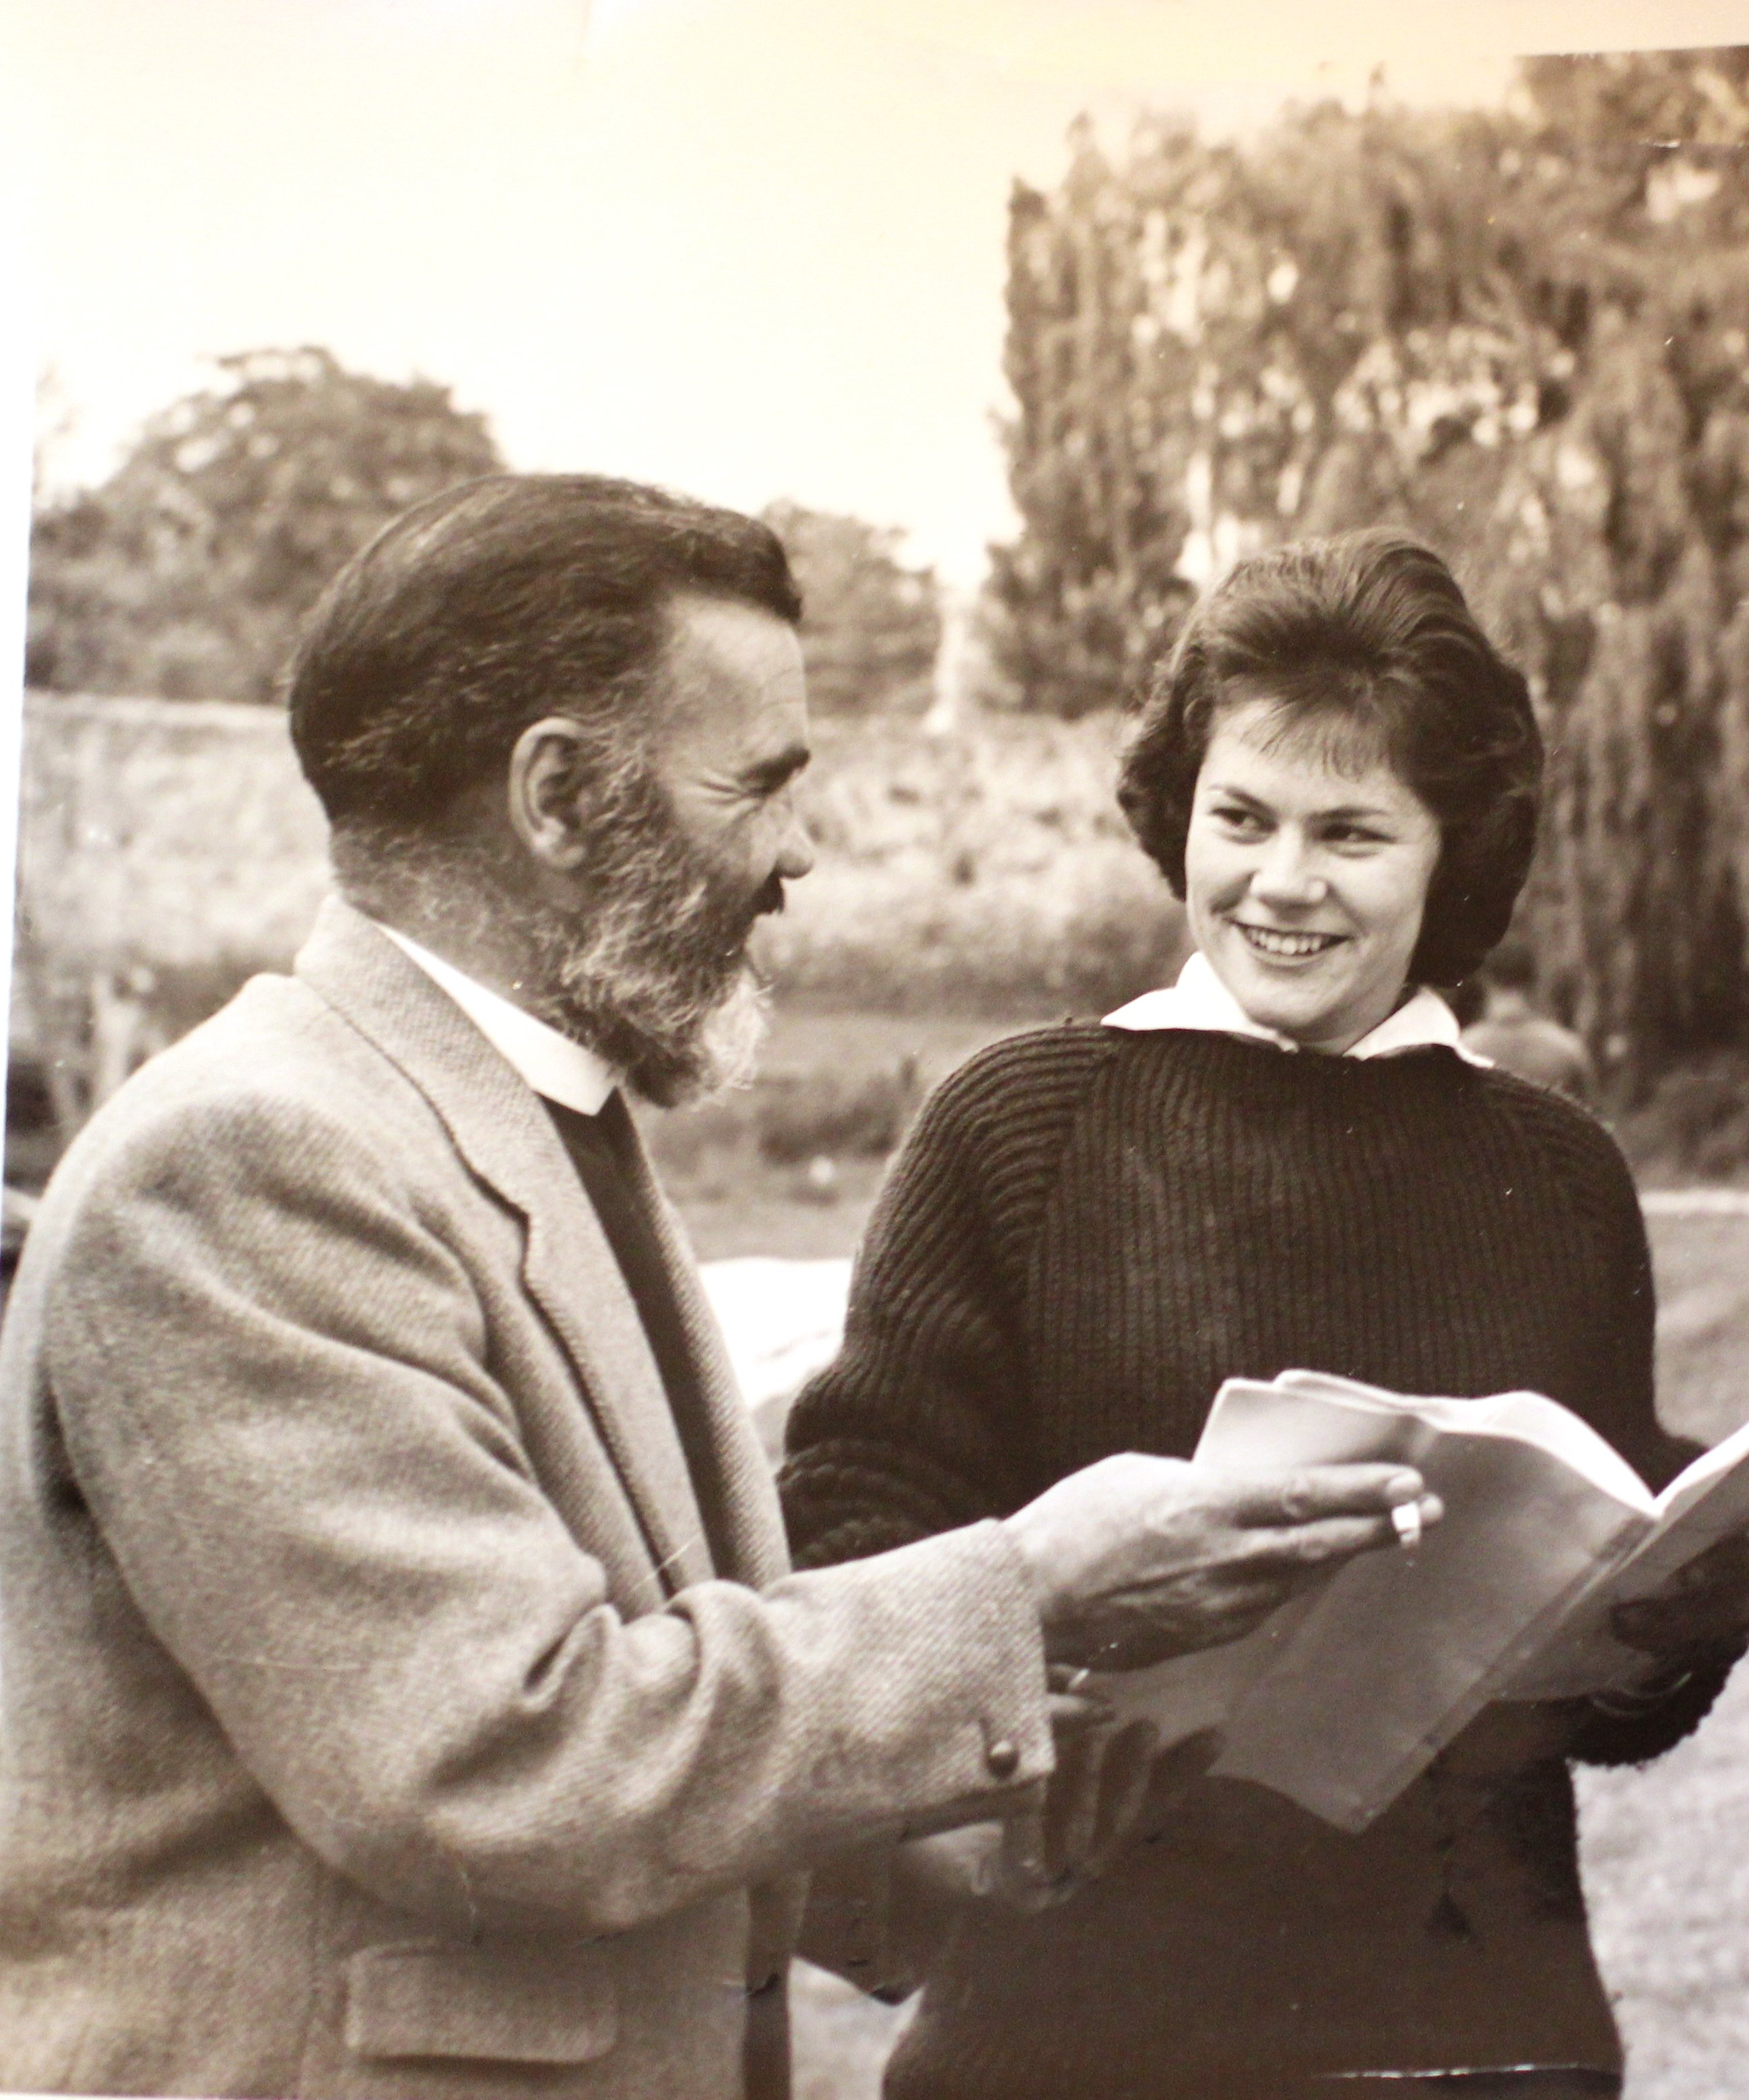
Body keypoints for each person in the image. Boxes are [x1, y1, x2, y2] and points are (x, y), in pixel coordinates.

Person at [0, 474, 1431, 2100]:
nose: (803, 853)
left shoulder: (539, 1123)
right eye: (760, 784)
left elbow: (660, 1676)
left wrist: (946, 1852)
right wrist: (1025, 1592)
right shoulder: (252, 1162)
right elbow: (499, 1759)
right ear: (556, 796)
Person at [781, 528, 1749, 2100]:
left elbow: (1598, 1669)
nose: (1280, 880)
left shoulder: (1556, 1169)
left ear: (1455, 854)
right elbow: (849, 1531)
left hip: (1472, 2030)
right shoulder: (1019, 1121)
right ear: (1179, 815)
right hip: (1077, 2023)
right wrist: (1039, 1659)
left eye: (1352, 831)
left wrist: (1678, 1620)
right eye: (1239, 817)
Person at [1461, 938, 1596, 1100]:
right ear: (1534, 981)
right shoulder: (1566, 1049)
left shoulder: (1463, 1048)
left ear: (1485, 981)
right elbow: (1592, 1119)